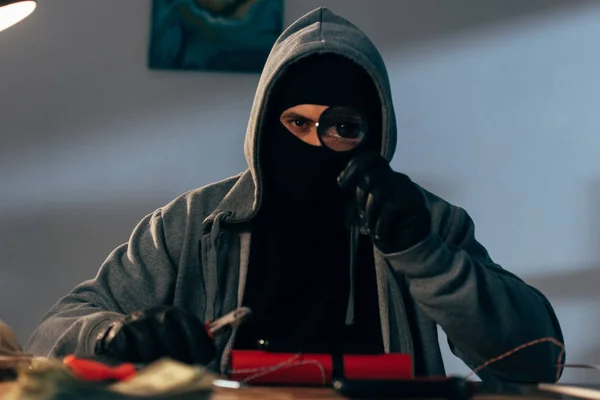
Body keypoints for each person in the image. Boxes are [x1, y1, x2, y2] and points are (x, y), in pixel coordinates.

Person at [27, 7, 564, 383]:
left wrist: (424, 255)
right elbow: (49, 334)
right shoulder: (190, 224)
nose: (314, 145)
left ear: (375, 133)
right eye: (296, 123)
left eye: (342, 129)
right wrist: (114, 335)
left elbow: (536, 360)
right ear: (264, 126)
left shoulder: (424, 222)